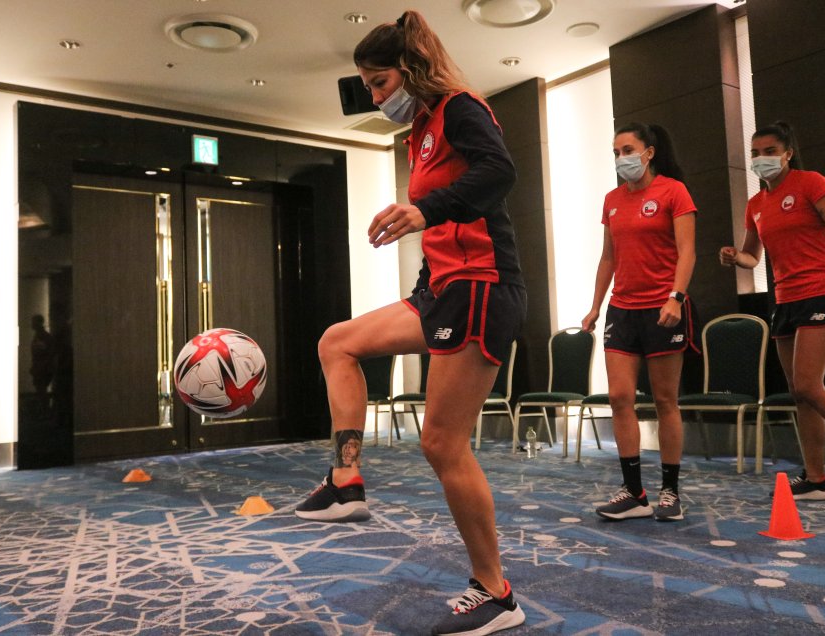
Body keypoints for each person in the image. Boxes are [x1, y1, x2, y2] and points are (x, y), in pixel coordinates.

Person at [294, 10, 527, 635]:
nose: (374, 97)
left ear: (411, 69)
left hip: (482, 286)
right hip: (442, 290)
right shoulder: (419, 132)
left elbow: (499, 174)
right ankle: (345, 477)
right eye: (368, 86)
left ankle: (496, 592)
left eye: (379, 82)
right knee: (337, 343)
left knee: (442, 443)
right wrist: (426, 264)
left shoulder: (459, 107)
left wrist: (424, 211)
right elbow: (442, 221)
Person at [719, 121, 825, 509]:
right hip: (785, 300)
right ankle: (816, 478)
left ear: (788, 153)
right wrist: (735, 258)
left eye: (769, 151)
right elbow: (753, 256)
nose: (761, 159)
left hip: (823, 290)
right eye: (755, 153)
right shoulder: (755, 204)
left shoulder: (811, 183)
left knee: (810, 386)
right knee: (800, 393)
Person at [582, 122, 697, 522]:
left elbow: (687, 251)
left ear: (649, 153)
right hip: (622, 309)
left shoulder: (673, 191)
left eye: (628, 150)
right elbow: (608, 258)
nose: (621, 158)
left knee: (665, 400)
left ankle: (670, 491)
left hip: (663, 308)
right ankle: (634, 492)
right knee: (619, 398)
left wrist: (676, 297)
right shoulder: (612, 200)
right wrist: (595, 306)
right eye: (616, 152)